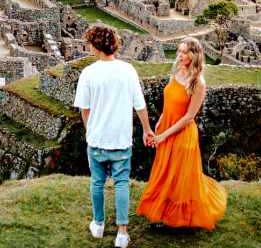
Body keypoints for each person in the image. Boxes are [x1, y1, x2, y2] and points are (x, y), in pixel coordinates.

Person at [74, 24, 154, 247]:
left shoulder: (88, 73)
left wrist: (90, 130)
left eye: (90, 43)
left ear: (96, 46)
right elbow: (140, 105)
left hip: (97, 138)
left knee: (97, 183)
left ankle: (98, 225)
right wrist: (147, 129)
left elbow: (85, 108)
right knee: (121, 183)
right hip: (120, 138)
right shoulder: (127, 70)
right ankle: (122, 233)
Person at [137, 37, 227, 230]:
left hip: (181, 133)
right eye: (179, 51)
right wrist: (160, 122)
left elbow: (188, 116)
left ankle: (175, 218)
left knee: (178, 176)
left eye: (185, 52)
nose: (180, 55)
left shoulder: (198, 82)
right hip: (166, 126)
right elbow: (169, 100)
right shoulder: (177, 70)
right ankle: (163, 210)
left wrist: (164, 135)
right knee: (165, 171)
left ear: (194, 55)